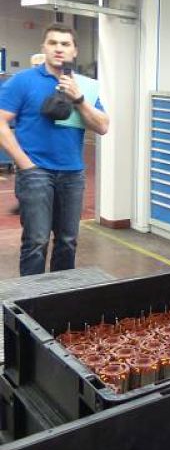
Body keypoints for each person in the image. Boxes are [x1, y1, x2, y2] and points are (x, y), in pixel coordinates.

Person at [0, 23, 109, 276]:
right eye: (53, 43)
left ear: (74, 51)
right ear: (44, 48)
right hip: (35, 173)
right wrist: (25, 164)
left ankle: (61, 295)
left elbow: (103, 126)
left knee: (68, 241)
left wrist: (79, 99)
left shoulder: (83, 86)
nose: (59, 48)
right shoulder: (22, 81)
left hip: (72, 174)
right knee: (36, 242)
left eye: (65, 44)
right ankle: (32, 297)